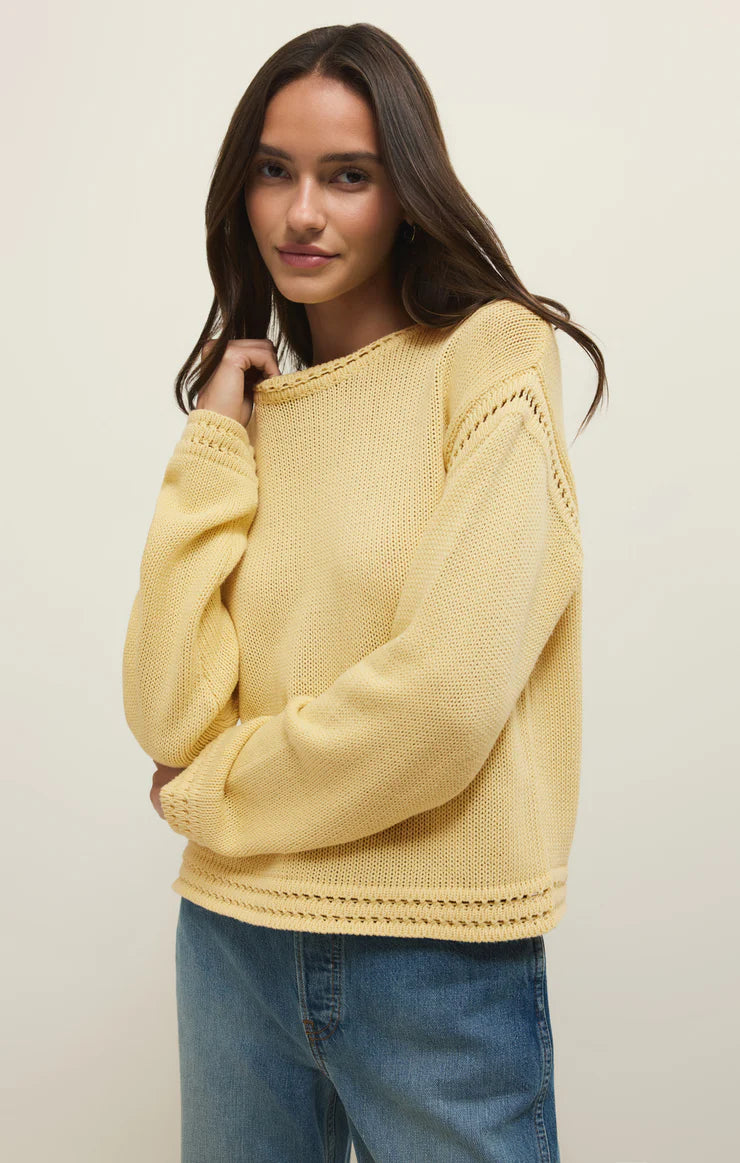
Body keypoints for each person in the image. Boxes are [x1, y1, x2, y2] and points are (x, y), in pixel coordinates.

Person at [122, 22, 607, 1163]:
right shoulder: (256, 419)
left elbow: (442, 701)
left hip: (434, 952)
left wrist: (217, 792)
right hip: (231, 940)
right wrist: (213, 441)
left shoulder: (492, 357)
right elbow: (167, 712)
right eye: (273, 171)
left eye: (348, 176)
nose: (302, 213)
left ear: (406, 193)